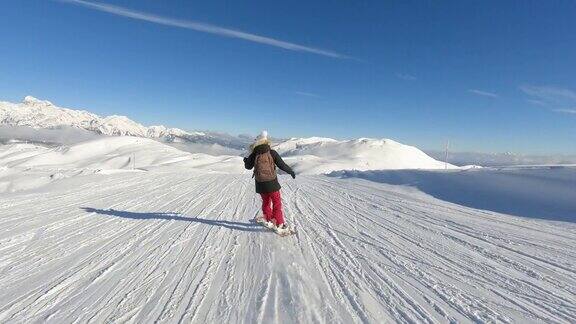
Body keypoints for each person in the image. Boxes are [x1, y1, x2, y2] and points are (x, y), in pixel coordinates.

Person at [243, 130, 295, 230]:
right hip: (272, 183)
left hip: (260, 183)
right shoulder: (272, 153)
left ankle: (269, 220)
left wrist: (246, 160)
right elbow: (282, 165)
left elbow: (248, 167)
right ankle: (280, 223)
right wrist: (291, 171)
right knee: (277, 203)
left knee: (266, 202)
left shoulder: (254, 154)